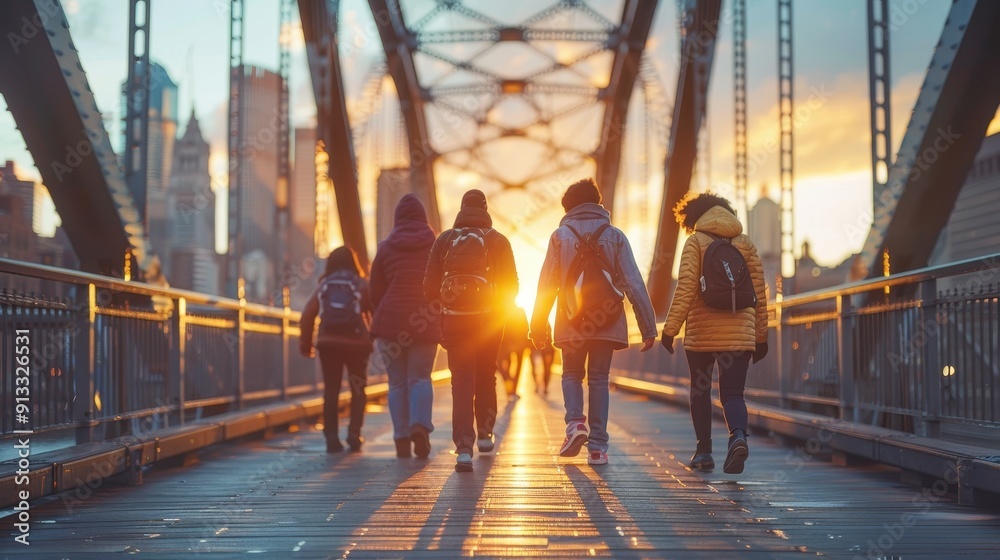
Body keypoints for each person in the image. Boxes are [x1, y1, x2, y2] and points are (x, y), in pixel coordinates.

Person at [530, 178, 657, 466]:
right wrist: (648, 326)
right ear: (598, 203)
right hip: (607, 319)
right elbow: (634, 283)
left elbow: (546, 285)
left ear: (569, 207)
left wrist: (538, 325)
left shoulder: (559, 236)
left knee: (572, 374)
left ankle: (576, 423)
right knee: (599, 379)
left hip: (571, 319)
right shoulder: (615, 235)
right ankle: (598, 448)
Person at [660, 192, 768, 474]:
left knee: (700, 390)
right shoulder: (746, 243)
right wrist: (761, 336)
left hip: (701, 334)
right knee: (733, 393)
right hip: (740, 332)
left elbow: (685, 288)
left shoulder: (695, 242)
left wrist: (671, 329)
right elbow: (760, 294)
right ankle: (739, 436)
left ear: (693, 217)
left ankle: (704, 453)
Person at [424, 189, 519, 472]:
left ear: (461, 208)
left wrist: (446, 305)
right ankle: (486, 434)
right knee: (486, 373)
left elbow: (429, 288)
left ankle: (464, 449)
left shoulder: (445, 240)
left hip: (454, 320)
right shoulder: (499, 240)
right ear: (486, 209)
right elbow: (512, 288)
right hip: (489, 321)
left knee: (461, 382)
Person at [370, 194, 441, 459]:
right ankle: (420, 426)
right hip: (425, 321)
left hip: (390, 323)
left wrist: (383, 314)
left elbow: (375, 291)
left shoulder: (386, 248)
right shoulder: (435, 245)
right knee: (420, 378)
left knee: (397, 382)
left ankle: (401, 438)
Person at [300, 246, 373, 453]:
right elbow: (375, 310)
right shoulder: (361, 284)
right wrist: (374, 337)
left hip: (328, 344)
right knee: (358, 389)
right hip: (357, 345)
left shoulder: (324, 284)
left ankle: (331, 438)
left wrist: (306, 344)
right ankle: (354, 434)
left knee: (331, 391)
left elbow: (308, 314)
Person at [498, 306, 531, 397]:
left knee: (513, 365)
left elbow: (525, 326)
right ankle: (511, 387)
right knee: (512, 365)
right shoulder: (517, 310)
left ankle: (511, 389)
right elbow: (526, 326)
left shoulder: (507, 310)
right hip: (513, 342)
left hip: (513, 342)